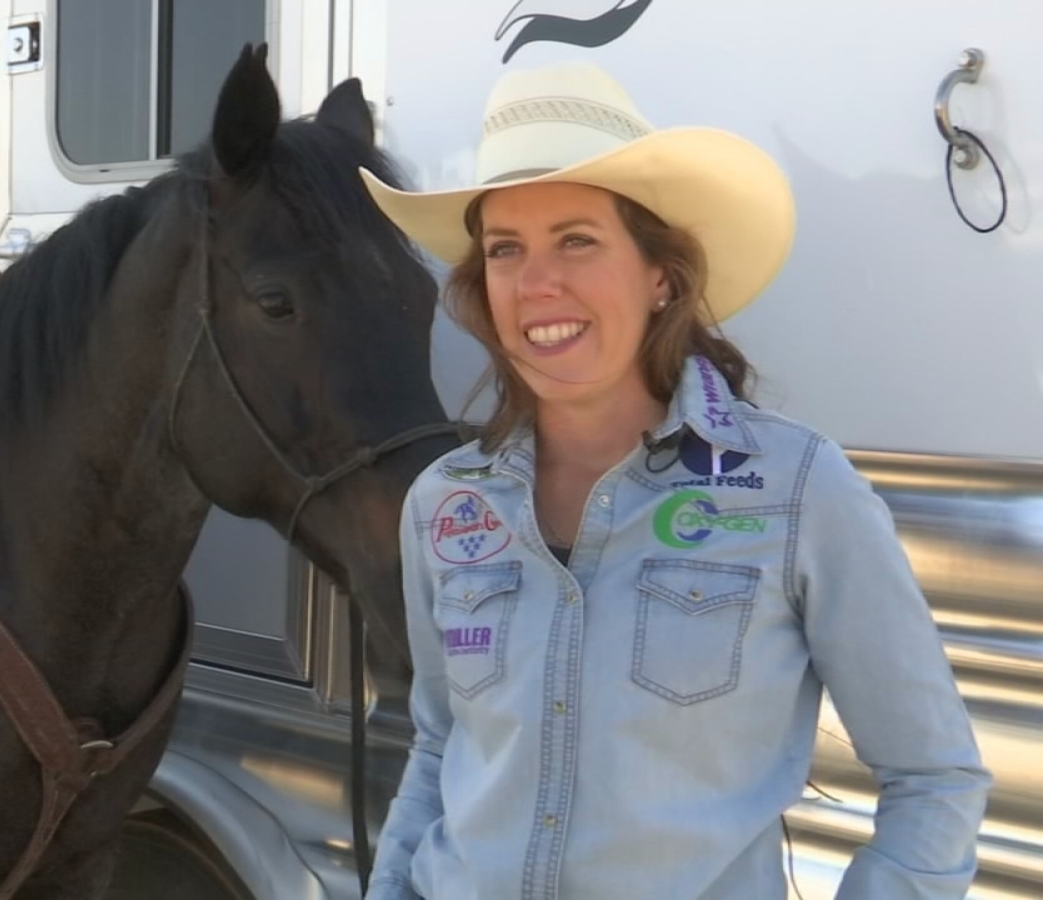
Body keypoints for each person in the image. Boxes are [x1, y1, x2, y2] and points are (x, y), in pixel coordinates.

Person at [357, 61, 991, 900]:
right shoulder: (446, 503)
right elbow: (442, 746)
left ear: (660, 275)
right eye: (505, 249)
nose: (536, 283)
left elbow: (935, 776)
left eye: (576, 240)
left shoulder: (797, 490)